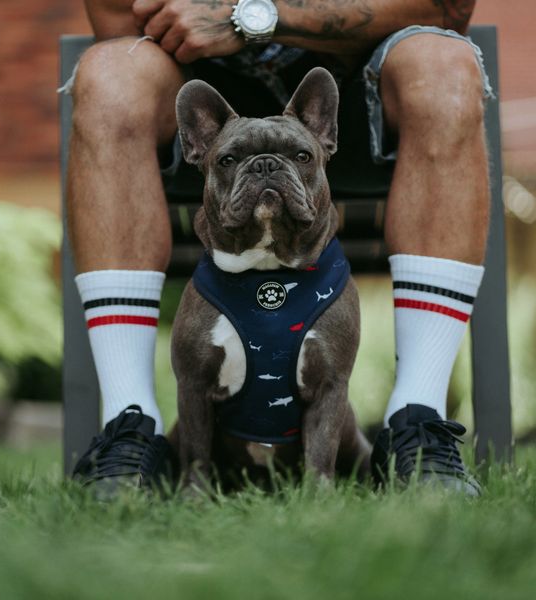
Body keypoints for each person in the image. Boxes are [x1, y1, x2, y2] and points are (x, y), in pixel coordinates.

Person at [67, 0, 491, 496]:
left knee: (445, 65)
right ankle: (132, 425)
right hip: (188, 81)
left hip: (358, 76)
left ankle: (417, 420)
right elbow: (116, 23)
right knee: (110, 71)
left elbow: (449, 10)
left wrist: (254, 14)